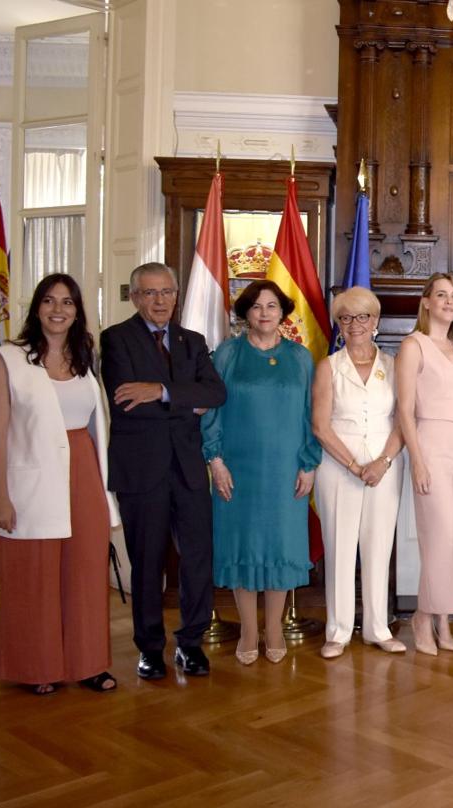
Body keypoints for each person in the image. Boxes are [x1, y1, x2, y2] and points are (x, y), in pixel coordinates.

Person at [0, 273, 121, 695]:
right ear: (37, 308)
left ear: (77, 311)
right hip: (31, 478)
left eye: (67, 302)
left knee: (85, 571)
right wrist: (1, 498)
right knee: (34, 575)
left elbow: (98, 424)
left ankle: (88, 664)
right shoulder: (8, 359)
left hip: (83, 472)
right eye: (49, 301)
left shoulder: (86, 356)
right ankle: (36, 666)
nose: (58, 310)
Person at [101, 262, 226, 680]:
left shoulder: (193, 341)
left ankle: (191, 643)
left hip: (188, 469)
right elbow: (124, 401)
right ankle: (150, 648)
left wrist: (160, 392)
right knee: (147, 562)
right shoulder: (116, 339)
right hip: (141, 470)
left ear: (177, 296)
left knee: (197, 560)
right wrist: (186, 403)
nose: (160, 301)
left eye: (167, 293)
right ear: (135, 297)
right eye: (150, 293)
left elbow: (216, 393)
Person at [201, 280, 321, 665]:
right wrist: (215, 460)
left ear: (283, 311)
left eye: (272, 305)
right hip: (237, 469)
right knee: (242, 546)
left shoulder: (301, 357)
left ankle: (273, 629)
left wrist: (309, 463)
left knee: (280, 547)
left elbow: (311, 415)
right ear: (245, 313)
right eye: (257, 306)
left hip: (286, 470)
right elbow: (211, 411)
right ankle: (248, 631)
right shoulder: (227, 354)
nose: (265, 313)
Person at [395, 273, 453, 655]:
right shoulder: (413, 345)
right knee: (439, 536)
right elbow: (403, 409)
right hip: (430, 442)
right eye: (441, 295)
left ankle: (444, 619)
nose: (449, 302)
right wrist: (417, 460)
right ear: (426, 302)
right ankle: (422, 615)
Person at [312, 287, 406, 658]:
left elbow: (403, 419)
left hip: (386, 464)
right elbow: (320, 426)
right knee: (339, 547)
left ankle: (377, 628)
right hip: (338, 467)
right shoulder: (328, 367)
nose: (355, 325)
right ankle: (338, 631)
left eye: (363, 316)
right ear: (338, 324)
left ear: (376, 321)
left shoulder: (395, 365)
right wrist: (354, 466)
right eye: (346, 318)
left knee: (379, 547)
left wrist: (381, 462)